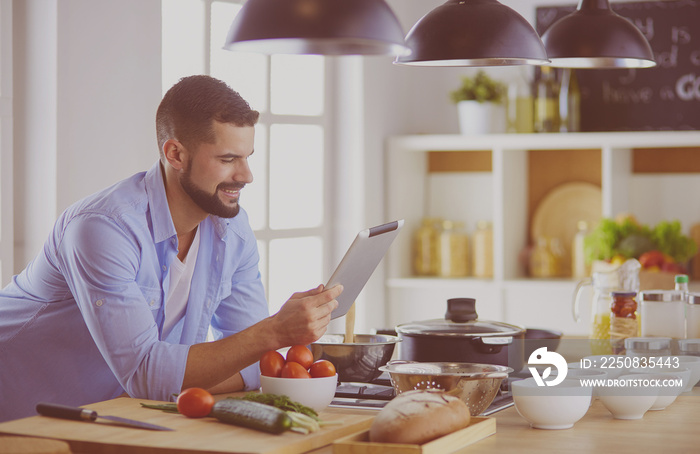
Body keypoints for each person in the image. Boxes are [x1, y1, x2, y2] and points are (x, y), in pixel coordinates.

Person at [0, 75, 342, 422]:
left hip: (105, 416)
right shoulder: (104, 229)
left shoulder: (232, 231)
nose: (246, 175)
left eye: (247, 157)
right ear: (175, 153)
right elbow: (148, 375)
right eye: (228, 159)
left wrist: (175, 376)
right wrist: (272, 332)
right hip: (18, 417)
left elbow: (255, 363)